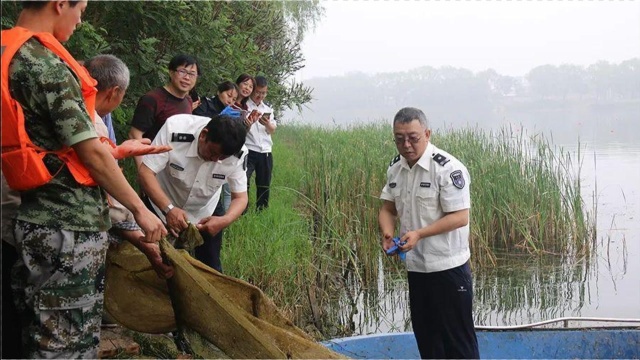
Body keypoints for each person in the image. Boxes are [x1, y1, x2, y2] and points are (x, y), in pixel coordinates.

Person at [1, 2, 167, 357]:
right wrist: (141, 210)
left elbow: (42, 139)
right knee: (65, 343)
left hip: (31, 220)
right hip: (66, 228)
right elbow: (89, 152)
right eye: (81, 8)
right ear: (60, 4)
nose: (81, 19)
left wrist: (118, 151)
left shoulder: (6, 53)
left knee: (35, 333)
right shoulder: (45, 65)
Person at [378, 107, 479, 359]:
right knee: (427, 340)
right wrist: (388, 233)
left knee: (458, 344)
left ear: (427, 133)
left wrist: (420, 234)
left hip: (448, 269)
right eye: (399, 138)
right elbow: (388, 209)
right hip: (417, 269)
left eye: (413, 137)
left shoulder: (447, 168)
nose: (407, 144)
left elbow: (460, 216)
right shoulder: (396, 168)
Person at [84, 53, 174, 279]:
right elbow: (103, 185)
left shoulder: (68, 109)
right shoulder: (91, 122)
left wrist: (116, 152)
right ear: (115, 92)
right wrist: (139, 213)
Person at [138, 114, 249, 272]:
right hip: (161, 205)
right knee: (154, 261)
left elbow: (240, 197)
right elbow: (145, 173)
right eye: (212, 152)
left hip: (205, 213)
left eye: (222, 158)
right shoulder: (175, 130)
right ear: (203, 135)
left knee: (210, 267)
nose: (215, 160)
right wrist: (168, 208)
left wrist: (224, 220)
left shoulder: (239, 154)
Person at [128, 53, 199, 143]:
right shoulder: (152, 99)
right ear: (171, 72)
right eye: (182, 72)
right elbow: (134, 135)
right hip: (153, 155)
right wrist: (145, 157)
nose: (187, 77)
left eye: (192, 74)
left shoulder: (188, 100)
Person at [245, 76, 277, 210]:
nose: (260, 95)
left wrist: (268, 123)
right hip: (249, 149)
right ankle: (242, 210)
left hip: (265, 151)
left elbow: (272, 130)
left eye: (263, 93)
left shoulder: (268, 109)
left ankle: (261, 210)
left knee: (264, 183)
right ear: (253, 90)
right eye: (258, 92)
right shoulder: (244, 106)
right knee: (243, 182)